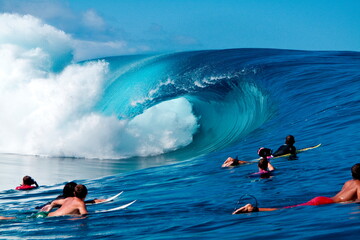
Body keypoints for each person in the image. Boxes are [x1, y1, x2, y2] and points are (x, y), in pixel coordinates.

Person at [233, 163, 360, 214]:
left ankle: (255, 209)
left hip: (323, 199)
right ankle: (253, 209)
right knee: (284, 209)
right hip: (324, 202)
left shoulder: (348, 182)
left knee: (290, 207)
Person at [36, 181, 105, 209]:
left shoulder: (61, 197)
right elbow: (80, 203)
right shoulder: (67, 200)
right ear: (73, 192)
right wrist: (94, 201)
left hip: (40, 207)